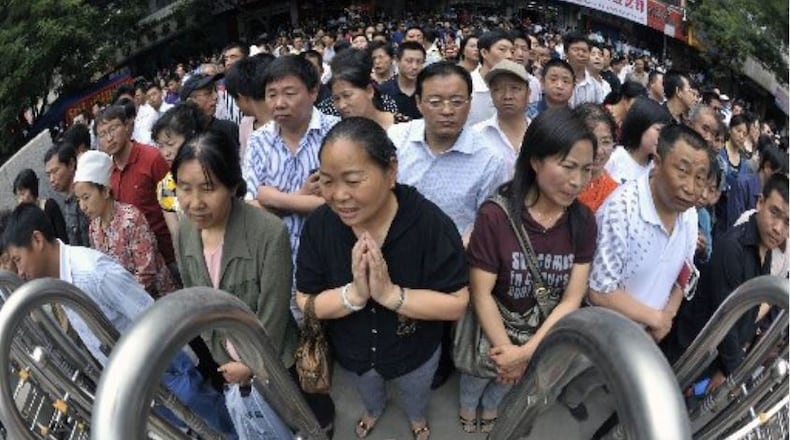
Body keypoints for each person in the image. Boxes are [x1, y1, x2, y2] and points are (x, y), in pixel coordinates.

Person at [296, 117, 469, 440]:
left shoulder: (430, 224)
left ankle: (417, 417)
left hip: (416, 352)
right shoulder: (320, 226)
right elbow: (305, 299)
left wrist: (392, 295)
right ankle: (374, 411)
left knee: (416, 391)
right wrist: (353, 296)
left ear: (391, 171)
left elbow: (457, 303)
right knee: (368, 390)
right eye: (327, 181)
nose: (339, 195)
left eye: (353, 180)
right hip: (353, 351)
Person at [2, 203, 236, 436]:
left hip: (164, 367)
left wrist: (183, 367)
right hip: (139, 380)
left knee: (219, 428)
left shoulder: (91, 273)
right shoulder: (61, 283)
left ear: (37, 240)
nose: (19, 271)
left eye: (18, 259)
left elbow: (147, 312)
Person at [459, 107, 597, 434]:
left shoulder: (583, 222)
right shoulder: (496, 215)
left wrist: (525, 354)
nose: (577, 181)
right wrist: (508, 352)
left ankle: (490, 406)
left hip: (537, 333)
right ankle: (467, 405)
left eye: (586, 169)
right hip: (490, 329)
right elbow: (481, 292)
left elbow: (571, 298)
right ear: (535, 161)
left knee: (505, 383)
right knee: (476, 377)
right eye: (568, 166)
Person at [171, 130, 305, 436]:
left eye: (208, 188)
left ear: (232, 185)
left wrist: (251, 366)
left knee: (290, 423)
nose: (194, 202)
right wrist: (221, 359)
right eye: (185, 188)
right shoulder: (185, 232)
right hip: (225, 362)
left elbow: (273, 315)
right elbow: (194, 299)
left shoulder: (268, 233)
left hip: (273, 361)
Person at [663, 174, 789, 390]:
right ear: (760, 203)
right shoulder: (733, 248)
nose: (778, 228)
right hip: (689, 353)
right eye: (774, 213)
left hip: (711, 360)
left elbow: (747, 315)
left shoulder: (766, 251)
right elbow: (724, 318)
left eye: (787, 222)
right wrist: (732, 372)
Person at [589, 124, 710, 343]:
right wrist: (655, 318)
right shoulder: (621, 209)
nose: (690, 188)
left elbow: (685, 270)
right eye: (682, 172)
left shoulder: (690, 216)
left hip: (643, 343)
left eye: (700, 178)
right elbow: (600, 290)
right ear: (657, 162)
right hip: (599, 340)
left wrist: (668, 315)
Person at [72, 150, 177, 298]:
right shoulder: (94, 228)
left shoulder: (131, 219)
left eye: (86, 197)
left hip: (156, 298)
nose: (82, 206)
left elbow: (146, 272)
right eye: (78, 200)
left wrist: (123, 300)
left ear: (105, 192)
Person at [94, 105, 176, 270]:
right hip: (137, 264)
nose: (109, 138)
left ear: (127, 126)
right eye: (102, 134)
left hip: (168, 255)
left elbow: (174, 205)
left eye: (113, 129)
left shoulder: (152, 158)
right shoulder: (106, 173)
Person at [472, 59, 531, 175]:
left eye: (515, 88)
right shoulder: (476, 135)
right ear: (491, 94)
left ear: (528, 93)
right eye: (498, 89)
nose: (507, 96)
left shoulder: (540, 133)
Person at [329, 49, 405, 130]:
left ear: (369, 91)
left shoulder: (404, 128)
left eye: (347, 95)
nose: (342, 105)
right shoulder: (337, 130)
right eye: (336, 98)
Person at [605, 97, 673, 184]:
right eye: (658, 130)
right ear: (641, 125)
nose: (662, 136)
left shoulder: (656, 169)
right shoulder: (613, 158)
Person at [44, 142, 90, 246]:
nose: (51, 179)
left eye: (55, 171)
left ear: (71, 164)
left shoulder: (86, 197)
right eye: (48, 175)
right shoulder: (68, 202)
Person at [575, 103, 619, 212]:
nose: (598, 151)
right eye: (591, 141)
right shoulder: (559, 184)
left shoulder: (616, 194)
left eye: (606, 142)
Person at [468, 30, 514, 126]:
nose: (509, 56)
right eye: (502, 49)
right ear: (484, 53)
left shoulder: (515, 85)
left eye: (512, 52)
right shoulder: (467, 84)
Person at [13, 168, 68, 243]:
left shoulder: (50, 206)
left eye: (22, 194)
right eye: (18, 196)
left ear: (32, 189)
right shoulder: (22, 219)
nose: (20, 200)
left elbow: (63, 236)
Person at [379, 41, 426, 120]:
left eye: (419, 62)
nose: (414, 66)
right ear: (397, 61)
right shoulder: (383, 91)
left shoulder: (428, 89)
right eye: (409, 61)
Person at [563, 32, 604, 107]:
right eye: (576, 50)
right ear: (566, 52)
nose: (581, 54)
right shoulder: (556, 80)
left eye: (584, 51)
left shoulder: (596, 86)